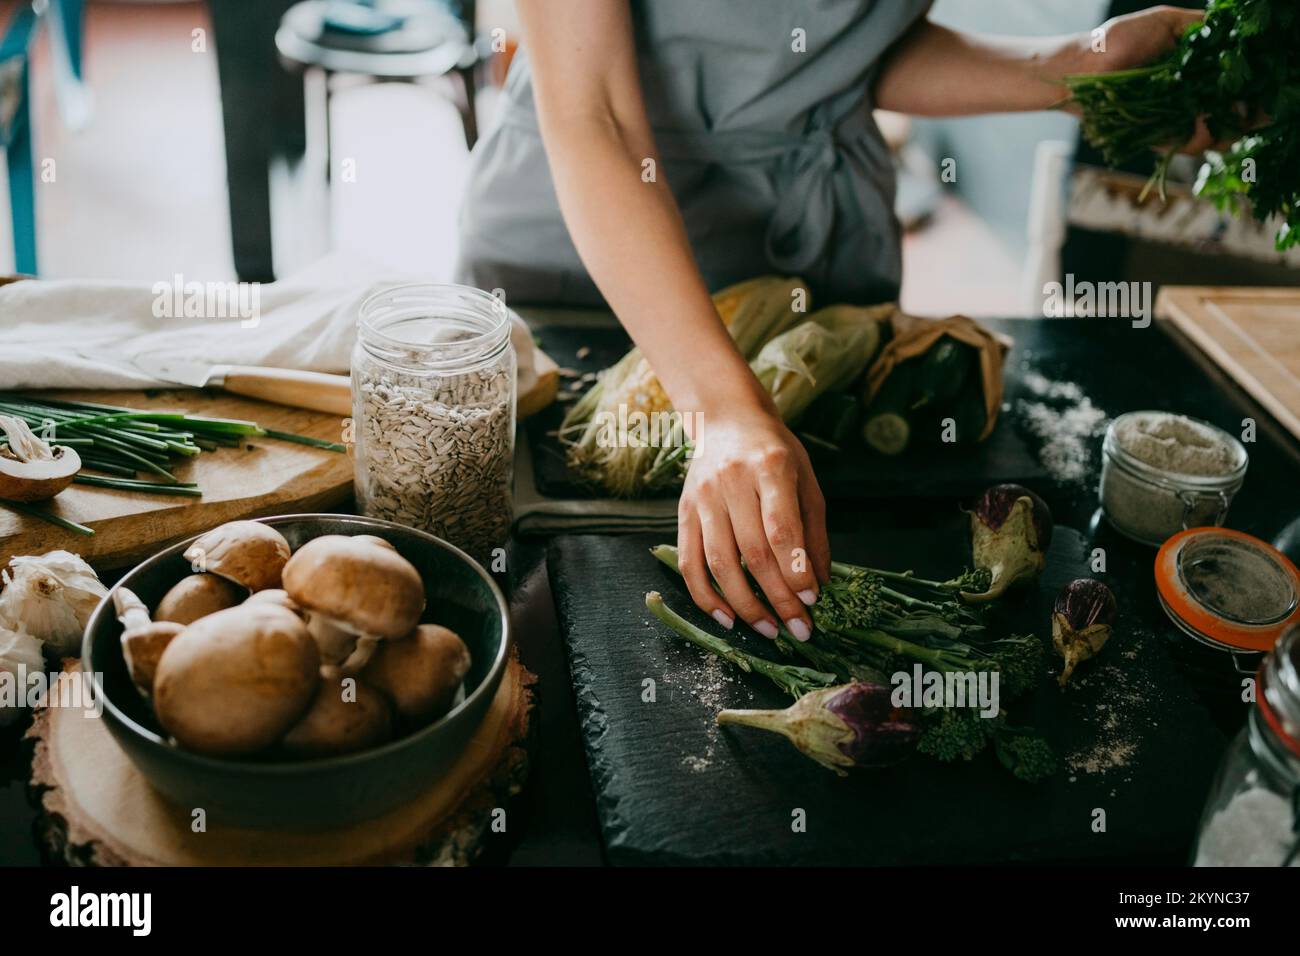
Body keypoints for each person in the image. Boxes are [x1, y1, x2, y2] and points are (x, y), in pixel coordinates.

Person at [455, 2, 1202, 641]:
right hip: (592, 255)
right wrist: (725, 414)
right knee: (536, 618)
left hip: (814, 249)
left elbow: (832, 49)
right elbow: (599, 116)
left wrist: (1071, 67)